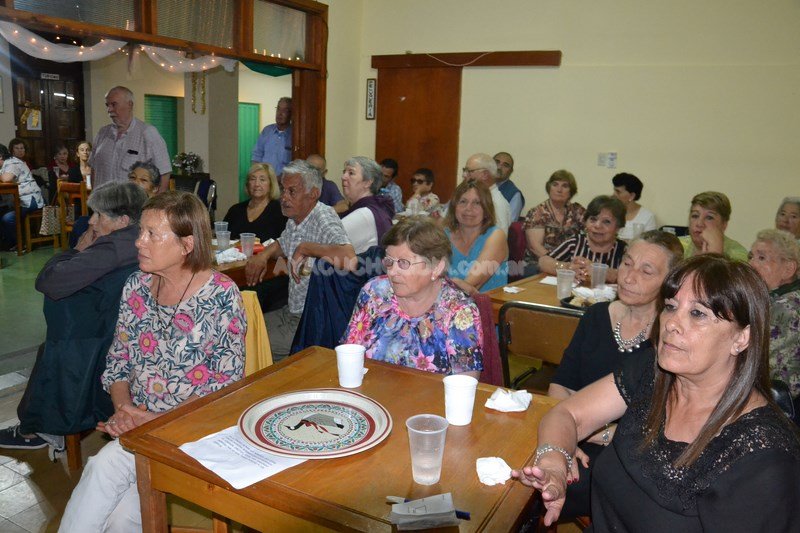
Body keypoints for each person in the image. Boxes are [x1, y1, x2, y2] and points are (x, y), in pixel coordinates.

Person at [513, 254, 800, 530]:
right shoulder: (654, 372)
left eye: (697, 313)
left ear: (741, 337)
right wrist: (554, 464)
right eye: (671, 306)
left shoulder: (762, 459)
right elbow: (568, 413)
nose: (671, 324)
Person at [58, 191, 246, 532]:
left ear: (187, 244)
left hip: (192, 431)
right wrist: (124, 410)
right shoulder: (137, 286)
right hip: (141, 431)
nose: (139, 243)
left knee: (103, 469)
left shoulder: (221, 295)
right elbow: (117, 360)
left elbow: (225, 388)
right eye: (140, 232)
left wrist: (154, 420)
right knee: (121, 517)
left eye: (151, 235)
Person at [0, 182, 147, 450]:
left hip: (93, 343)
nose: (91, 221)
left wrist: (75, 251)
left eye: (99, 215)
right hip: (122, 333)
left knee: (53, 348)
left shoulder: (110, 249)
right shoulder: (141, 239)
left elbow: (48, 281)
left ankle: (38, 430)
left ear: (122, 220)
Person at [546, 230, 683, 518]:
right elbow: (561, 383)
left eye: (646, 271)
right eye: (627, 263)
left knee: (550, 487)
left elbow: (665, 424)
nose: (629, 277)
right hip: (572, 429)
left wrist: (595, 433)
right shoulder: (596, 315)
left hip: (630, 452)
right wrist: (563, 442)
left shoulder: (671, 338)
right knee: (529, 469)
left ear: (669, 283)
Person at [343, 216, 483, 378]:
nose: (392, 271)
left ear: (436, 268)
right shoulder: (374, 293)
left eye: (403, 263)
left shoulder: (458, 310)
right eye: (389, 261)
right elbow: (349, 353)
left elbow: (464, 385)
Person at [245, 159, 355, 361]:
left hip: (310, 320)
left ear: (313, 194)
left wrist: (306, 248)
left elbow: (349, 258)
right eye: (283, 190)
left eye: (292, 191)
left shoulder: (323, 216)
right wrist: (263, 255)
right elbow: (282, 243)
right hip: (291, 311)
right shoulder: (295, 218)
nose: (284, 197)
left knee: (249, 342)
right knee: (242, 324)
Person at [749, 229, 800, 399]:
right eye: (751, 256)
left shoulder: (786, 307)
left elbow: (759, 367)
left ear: (788, 268)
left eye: (762, 258)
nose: (752, 264)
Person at [90, 86, 171, 191]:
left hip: (133, 206)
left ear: (130, 104)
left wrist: (155, 205)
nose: (109, 109)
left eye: (114, 104)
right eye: (107, 105)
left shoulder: (148, 133)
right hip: (101, 205)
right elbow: (93, 169)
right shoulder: (102, 133)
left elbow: (164, 173)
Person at [539, 195, 627, 284]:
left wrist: (605, 273)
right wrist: (567, 267)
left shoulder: (624, 250)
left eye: (606, 222)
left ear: (618, 227)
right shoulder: (575, 243)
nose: (597, 225)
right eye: (593, 219)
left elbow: (632, 276)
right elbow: (543, 262)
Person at [444, 180, 508, 294]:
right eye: (463, 201)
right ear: (454, 207)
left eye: (477, 203)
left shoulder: (496, 236)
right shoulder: (443, 235)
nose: (468, 208)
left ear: (486, 208)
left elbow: (471, 284)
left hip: (488, 307)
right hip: (446, 304)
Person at [524, 169, 586, 272]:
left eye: (565, 186)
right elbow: (535, 247)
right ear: (549, 188)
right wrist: (557, 265)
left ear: (571, 191)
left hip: (570, 265)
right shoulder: (538, 213)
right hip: (539, 264)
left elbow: (591, 234)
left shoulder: (577, 210)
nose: (559, 189)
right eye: (555, 184)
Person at [340, 156, 395, 253]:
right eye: (344, 172)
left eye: (351, 173)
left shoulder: (364, 214)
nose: (343, 177)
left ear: (368, 182)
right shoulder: (374, 207)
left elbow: (327, 244)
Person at [223, 163, 287, 242]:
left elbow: (285, 244)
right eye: (253, 179)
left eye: (262, 180)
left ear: (271, 184)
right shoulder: (235, 210)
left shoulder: (281, 211)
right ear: (248, 184)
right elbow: (222, 238)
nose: (257, 184)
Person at [678, 191, 748, 261]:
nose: (699, 224)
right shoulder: (678, 246)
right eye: (695, 216)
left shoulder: (738, 254)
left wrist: (715, 254)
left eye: (709, 217)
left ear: (724, 225)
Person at [0, 143, 45, 250]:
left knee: (8, 218)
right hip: (19, 201)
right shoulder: (5, 164)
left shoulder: (12, 162)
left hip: (31, 200)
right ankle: (8, 243)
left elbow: (6, 179)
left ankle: (20, 243)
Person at [462, 153, 511, 232]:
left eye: (469, 171)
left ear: (485, 175)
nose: (464, 175)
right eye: (464, 170)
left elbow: (499, 241)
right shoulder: (467, 195)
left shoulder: (497, 203)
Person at [251, 96, 292, 177]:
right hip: (266, 182)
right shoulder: (267, 131)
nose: (280, 113)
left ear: (291, 113)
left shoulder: (294, 135)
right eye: (278, 109)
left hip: (284, 184)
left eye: (285, 110)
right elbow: (257, 156)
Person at [611, 172, 656, 240]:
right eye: (614, 191)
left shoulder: (647, 217)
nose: (613, 195)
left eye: (618, 192)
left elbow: (650, 244)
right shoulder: (609, 211)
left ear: (632, 196)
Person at [494, 151, 525, 222]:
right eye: (496, 162)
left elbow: (509, 224)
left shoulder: (514, 194)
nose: (499, 167)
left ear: (511, 171)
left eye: (505, 165)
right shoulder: (480, 185)